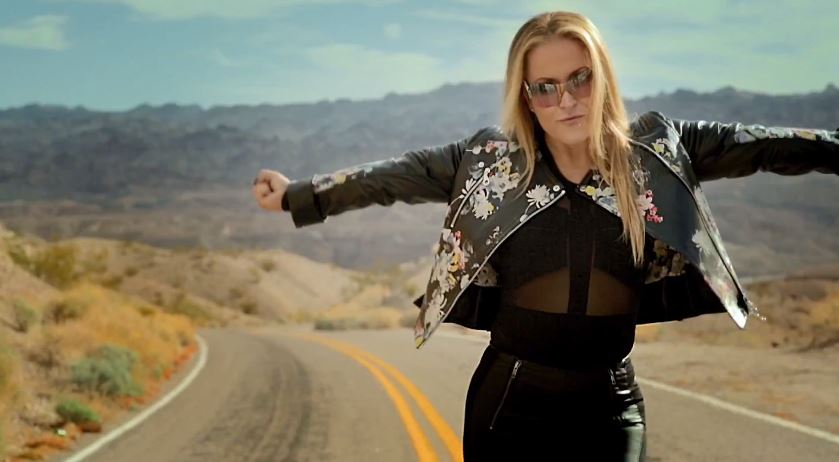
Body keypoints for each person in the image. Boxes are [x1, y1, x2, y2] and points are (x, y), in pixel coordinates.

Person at [251, 10, 838, 461]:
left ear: (602, 77)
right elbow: (389, 178)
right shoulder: (489, 162)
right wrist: (297, 194)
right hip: (511, 401)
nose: (568, 100)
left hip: (612, 404)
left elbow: (764, 145)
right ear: (526, 97)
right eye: (547, 86)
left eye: (581, 78)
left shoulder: (657, 151)